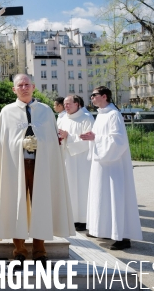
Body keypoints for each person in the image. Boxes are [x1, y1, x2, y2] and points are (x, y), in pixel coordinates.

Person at [0, 74, 74, 269]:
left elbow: (53, 142)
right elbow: (2, 142)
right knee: (16, 204)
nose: (24, 87)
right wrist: (20, 143)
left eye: (27, 84)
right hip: (15, 166)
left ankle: (40, 251)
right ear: (14, 89)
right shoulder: (7, 112)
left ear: (34, 87)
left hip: (41, 166)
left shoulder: (45, 111)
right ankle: (19, 251)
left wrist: (40, 143)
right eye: (20, 85)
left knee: (41, 205)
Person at [80, 86, 142, 250]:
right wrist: (92, 138)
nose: (91, 98)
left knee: (115, 197)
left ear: (105, 96)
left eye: (94, 95)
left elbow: (119, 140)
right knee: (102, 196)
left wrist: (96, 138)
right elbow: (100, 137)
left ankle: (122, 236)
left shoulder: (114, 115)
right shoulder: (101, 115)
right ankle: (106, 229)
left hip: (113, 165)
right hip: (101, 164)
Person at [57, 95, 94, 232]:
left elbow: (88, 140)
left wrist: (69, 137)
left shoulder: (86, 118)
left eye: (69, 104)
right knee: (69, 188)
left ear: (77, 104)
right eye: (65, 104)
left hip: (81, 160)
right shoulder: (63, 118)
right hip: (67, 158)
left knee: (81, 189)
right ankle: (71, 218)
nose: (65, 106)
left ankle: (83, 220)